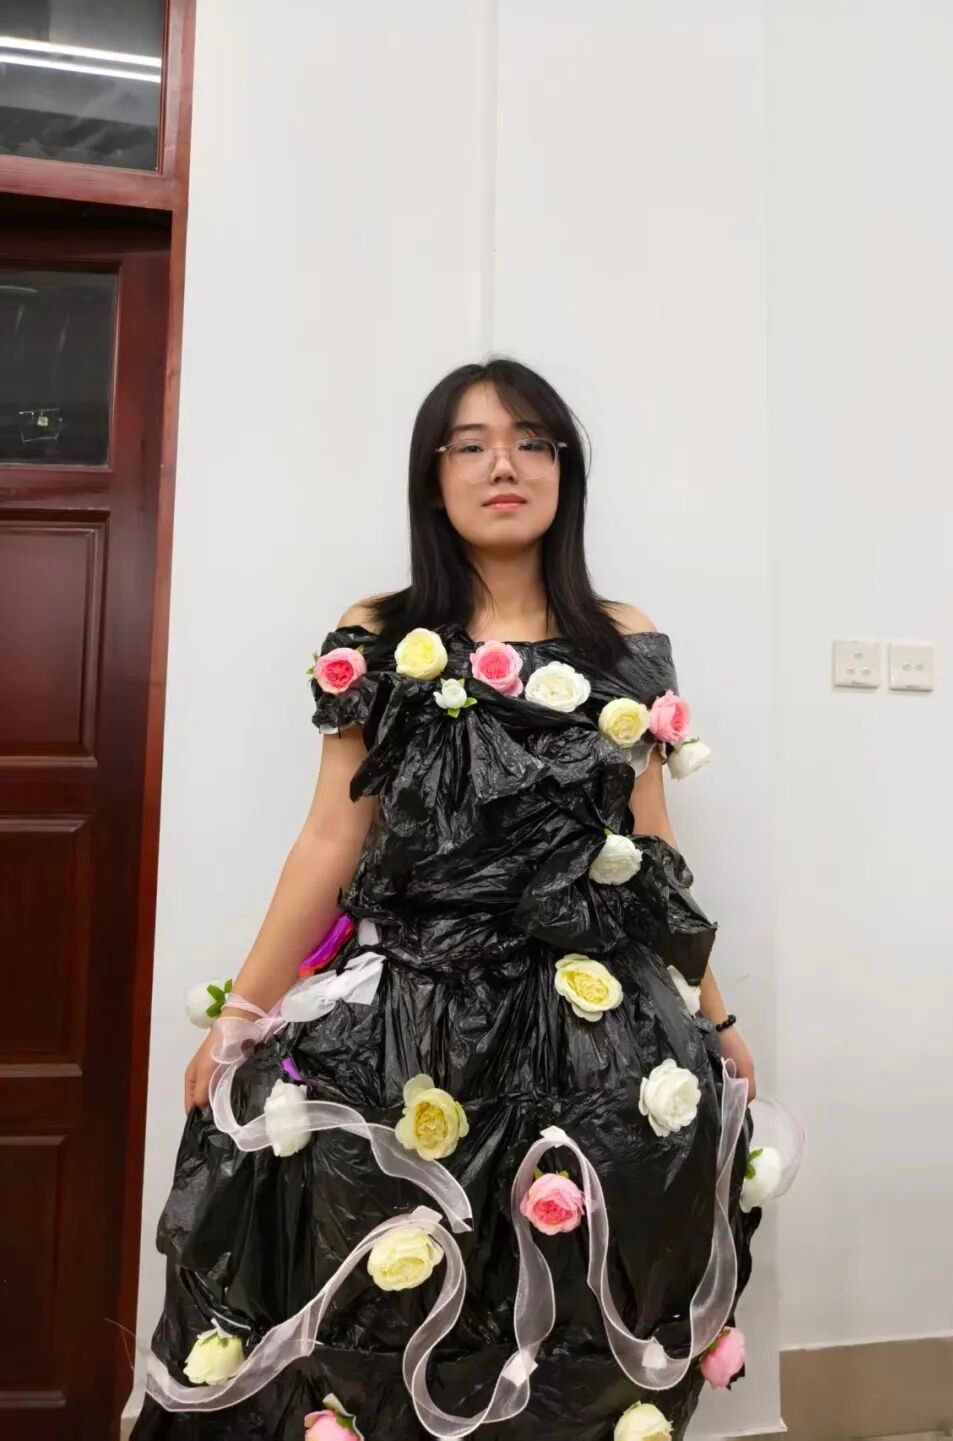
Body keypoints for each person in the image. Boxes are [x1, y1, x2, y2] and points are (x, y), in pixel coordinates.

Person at [133, 357, 761, 1440]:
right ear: (434, 477)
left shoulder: (624, 643)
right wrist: (244, 1009)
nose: (502, 466)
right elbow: (333, 834)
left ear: (565, 470)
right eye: (470, 445)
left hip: (595, 1043)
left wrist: (717, 1014)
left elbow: (651, 849)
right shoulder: (378, 636)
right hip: (410, 1027)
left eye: (530, 443)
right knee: (386, 1300)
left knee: (569, 1322)